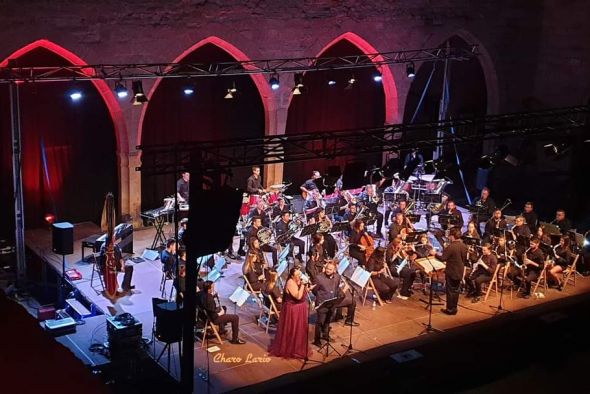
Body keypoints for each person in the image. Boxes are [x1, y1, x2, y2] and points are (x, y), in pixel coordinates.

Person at [268, 266, 312, 359]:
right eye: (297, 275)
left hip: (300, 308)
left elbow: (304, 292)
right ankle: (290, 348)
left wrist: (308, 286)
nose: (299, 276)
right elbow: (298, 296)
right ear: (292, 276)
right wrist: (303, 285)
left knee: (299, 328)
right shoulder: (290, 283)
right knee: (292, 328)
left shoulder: (298, 280)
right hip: (293, 310)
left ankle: (297, 346)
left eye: (300, 274)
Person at [431, 227, 468, 315]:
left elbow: (443, 258)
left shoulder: (451, 247)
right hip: (460, 271)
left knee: (450, 291)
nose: (449, 237)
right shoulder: (464, 246)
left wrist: (434, 254)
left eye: (450, 236)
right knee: (456, 291)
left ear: (452, 236)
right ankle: (454, 308)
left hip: (451, 272)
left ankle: (450, 309)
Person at [312, 260, 342, 345]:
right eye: (327, 268)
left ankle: (325, 335)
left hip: (332, 303)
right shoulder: (319, 277)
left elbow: (337, 288)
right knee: (320, 322)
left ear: (334, 270)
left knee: (328, 320)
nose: (328, 270)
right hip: (322, 303)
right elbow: (314, 290)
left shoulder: (337, 277)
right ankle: (317, 340)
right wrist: (320, 297)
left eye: (330, 269)